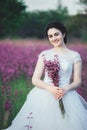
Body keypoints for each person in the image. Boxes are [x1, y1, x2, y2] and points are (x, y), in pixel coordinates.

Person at [4, 21, 87, 130]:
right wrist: (50, 88)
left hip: (67, 94)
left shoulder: (74, 56)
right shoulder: (45, 54)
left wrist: (66, 88)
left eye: (56, 34)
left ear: (64, 34)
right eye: (50, 36)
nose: (53, 38)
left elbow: (77, 81)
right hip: (44, 94)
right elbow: (35, 79)